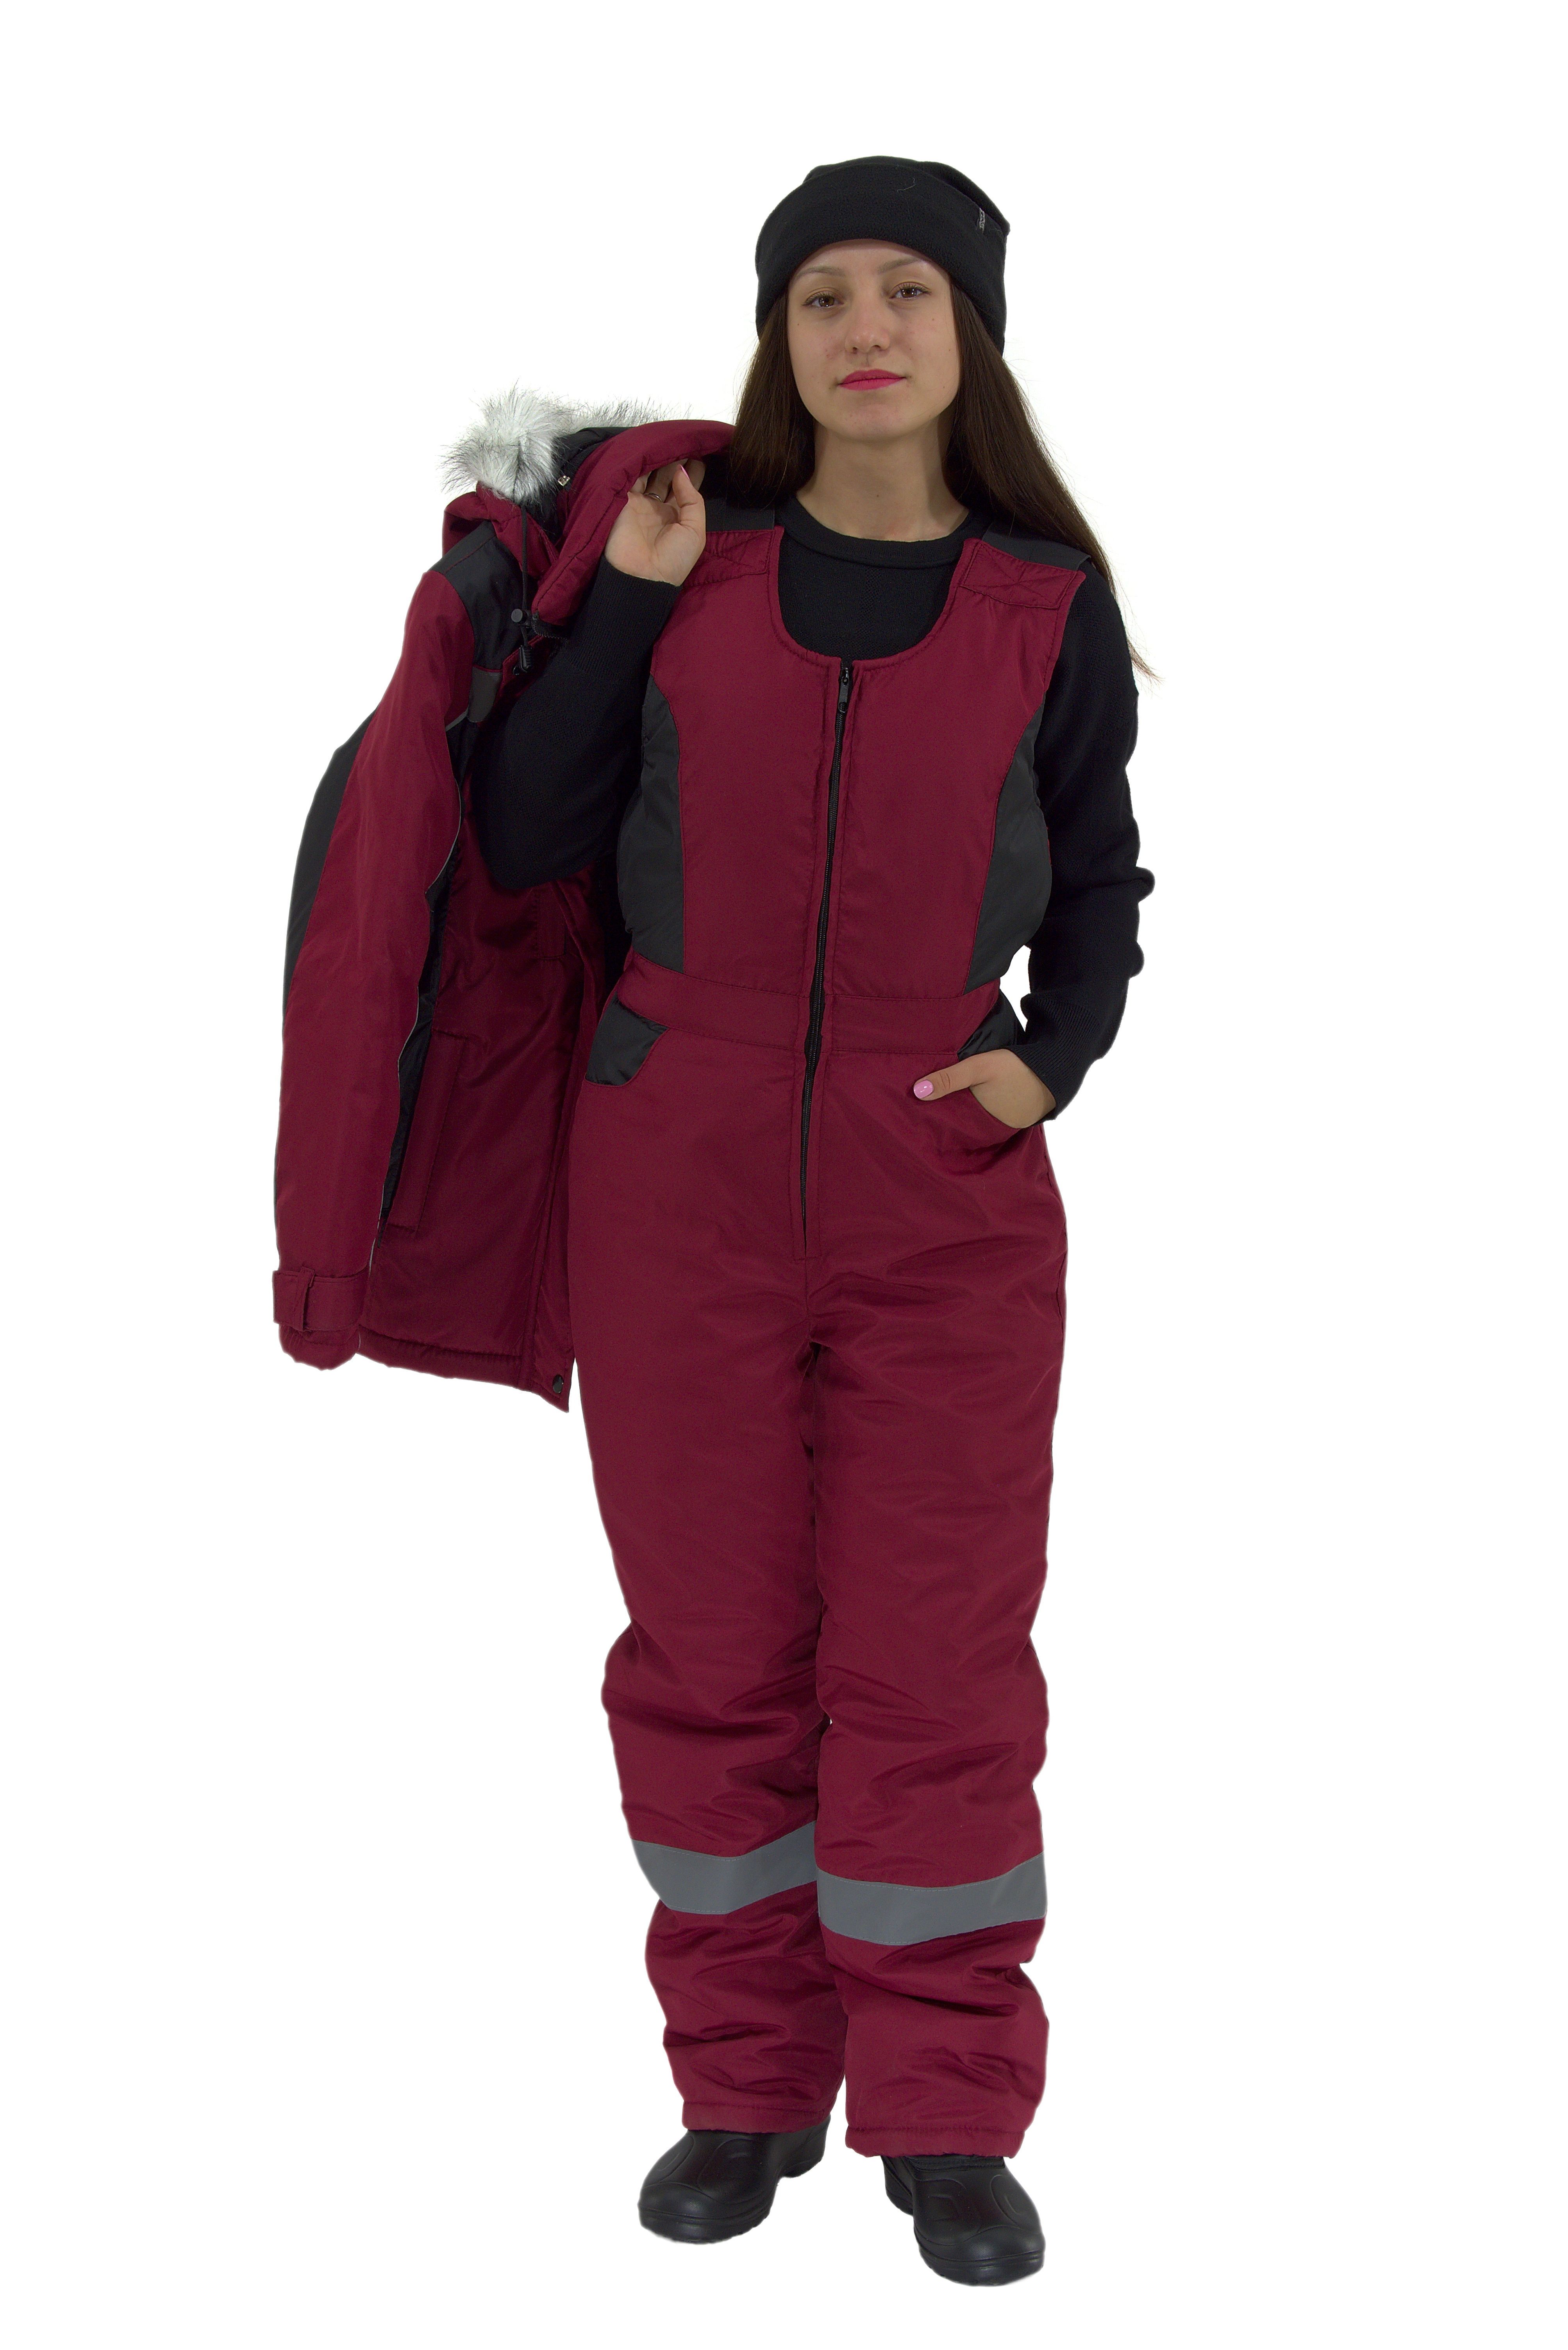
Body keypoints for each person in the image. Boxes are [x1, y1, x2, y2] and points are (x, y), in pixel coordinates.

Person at [470, 155, 1153, 2287]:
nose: (866, 325)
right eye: (823, 292)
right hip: (674, 1155)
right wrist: (632, 603)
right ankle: (746, 2085)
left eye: (910, 290)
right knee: (713, 1645)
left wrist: (1056, 1053)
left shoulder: (1044, 602)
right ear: (778, 335)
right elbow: (528, 829)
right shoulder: (700, 561)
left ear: (972, 333)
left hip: (938, 1173)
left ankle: (945, 2112)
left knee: (937, 1651)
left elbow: (1100, 870)